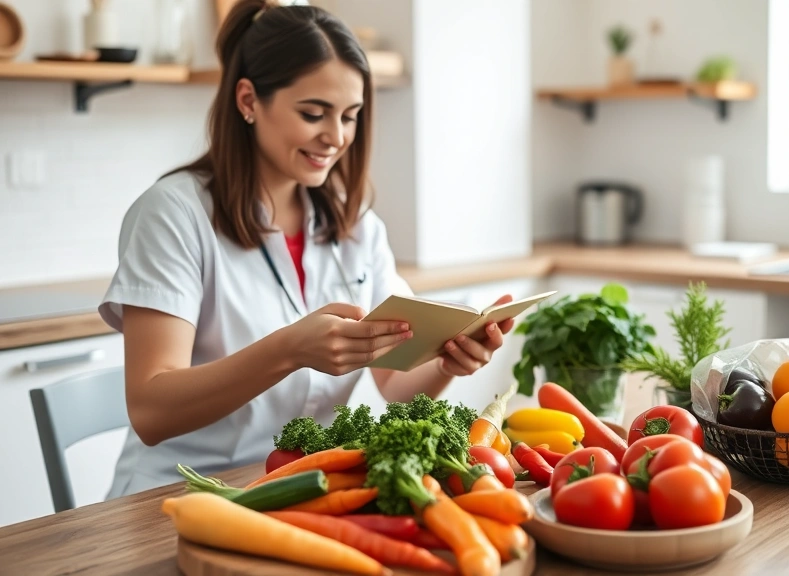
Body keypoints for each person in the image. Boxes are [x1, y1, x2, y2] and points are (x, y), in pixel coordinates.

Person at [97, 0, 513, 497]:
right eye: (313, 113)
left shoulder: (355, 224)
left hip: (303, 491)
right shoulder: (172, 214)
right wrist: (289, 350)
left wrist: (446, 361)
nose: (335, 138)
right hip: (176, 497)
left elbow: (395, 386)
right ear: (248, 100)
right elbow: (151, 410)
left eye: (350, 116)